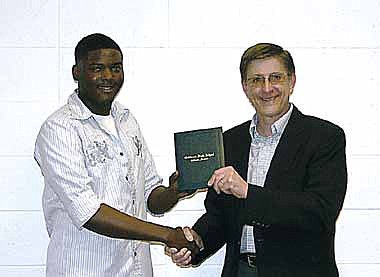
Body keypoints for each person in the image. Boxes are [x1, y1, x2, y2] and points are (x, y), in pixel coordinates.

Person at [166, 43, 347, 277]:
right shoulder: (229, 141)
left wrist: (247, 191)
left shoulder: (325, 137)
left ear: (291, 82)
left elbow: (319, 212)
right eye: (256, 80)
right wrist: (196, 243)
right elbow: (220, 216)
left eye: (276, 77)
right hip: (241, 271)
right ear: (245, 87)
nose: (267, 88)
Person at [34, 33, 198, 277]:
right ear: (76, 72)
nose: (108, 76)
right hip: (83, 270)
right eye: (97, 68)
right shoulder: (60, 128)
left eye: (115, 68)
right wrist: (167, 235)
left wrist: (175, 191)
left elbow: (151, 196)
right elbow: (89, 212)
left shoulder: (127, 121)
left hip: (136, 270)